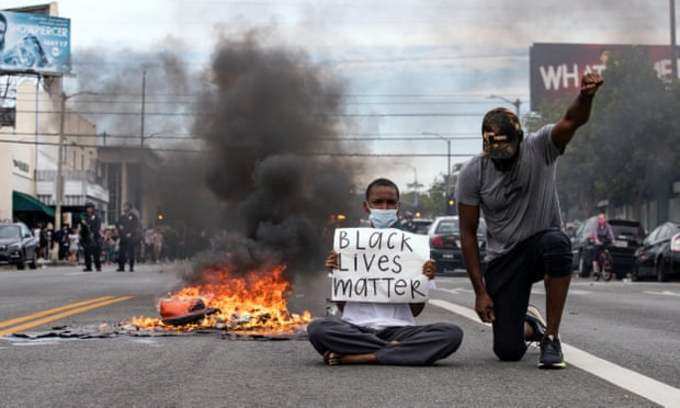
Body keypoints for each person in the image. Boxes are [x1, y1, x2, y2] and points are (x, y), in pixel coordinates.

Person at [456, 73, 604, 369]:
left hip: (540, 243)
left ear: (520, 140)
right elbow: (468, 233)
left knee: (558, 243)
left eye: (506, 154)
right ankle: (530, 325)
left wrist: (585, 96)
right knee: (508, 350)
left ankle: (551, 337)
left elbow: (572, 121)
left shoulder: (541, 147)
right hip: (503, 260)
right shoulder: (473, 173)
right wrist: (480, 292)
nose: (500, 160)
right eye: (493, 154)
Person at [307, 178, 464, 366]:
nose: (384, 207)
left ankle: (363, 356)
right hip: (356, 329)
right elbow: (341, 307)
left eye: (390, 203)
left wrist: (424, 278)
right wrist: (336, 270)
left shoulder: (413, 247)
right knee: (317, 329)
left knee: (451, 333)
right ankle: (397, 350)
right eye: (378, 202)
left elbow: (415, 311)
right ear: (366, 207)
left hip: (399, 329)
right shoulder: (349, 246)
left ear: (397, 207)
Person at [116, 202, 141, 272]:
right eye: (124, 206)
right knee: (121, 252)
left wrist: (131, 233)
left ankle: (131, 267)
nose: (124, 208)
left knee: (131, 252)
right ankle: (121, 267)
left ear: (129, 208)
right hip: (123, 237)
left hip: (131, 237)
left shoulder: (133, 216)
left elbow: (135, 226)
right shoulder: (122, 217)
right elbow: (117, 224)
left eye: (126, 206)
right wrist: (119, 227)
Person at [80, 202, 103, 272]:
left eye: (90, 208)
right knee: (87, 253)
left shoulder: (96, 216)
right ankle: (88, 266)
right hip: (86, 237)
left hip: (95, 237)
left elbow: (98, 226)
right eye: (87, 208)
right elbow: (82, 227)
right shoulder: (84, 216)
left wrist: (93, 232)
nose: (89, 209)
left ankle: (98, 266)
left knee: (96, 253)